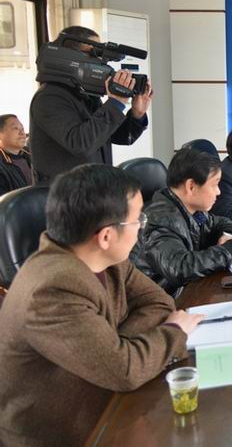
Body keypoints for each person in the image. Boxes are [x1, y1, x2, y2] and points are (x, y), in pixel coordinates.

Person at [0, 164, 204, 446]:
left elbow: (159, 302)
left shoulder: (108, 259)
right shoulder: (50, 291)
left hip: (106, 400)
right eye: (138, 220)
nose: (141, 228)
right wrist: (173, 331)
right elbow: (124, 370)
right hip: (65, 433)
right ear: (106, 235)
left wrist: (114, 347)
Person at [29, 26, 155, 185]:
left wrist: (137, 115)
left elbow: (113, 135)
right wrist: (116, 103)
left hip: (94, 191)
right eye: (93, 53)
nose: (98, 61)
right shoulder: (49, 97)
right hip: (66, 195)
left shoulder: (85, 94)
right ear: (69, 56)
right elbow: (81, 144)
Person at [131, 148, 232, 292]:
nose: (219, 192)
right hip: (163, 299)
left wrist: (227, 236)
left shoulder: (192, 209)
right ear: (191, 187)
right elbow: (179, 268)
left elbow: (221, 222)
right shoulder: (161, 220)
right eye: (214, 185)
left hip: (187, 291)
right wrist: (230, 249)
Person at [0, 114, 32, 196]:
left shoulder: (31, 154)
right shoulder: (2, 164)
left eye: (22, 128)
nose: (22, 133)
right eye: (15, 128)